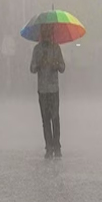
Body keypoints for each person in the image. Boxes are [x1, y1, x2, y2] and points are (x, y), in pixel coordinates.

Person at [30, 26, 66, 158]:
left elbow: (62, 67)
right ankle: (49, 147)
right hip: (43, 90)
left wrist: (56, 64)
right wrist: (39, 63)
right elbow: (32, 68)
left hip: (53, 89)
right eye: (44, 34)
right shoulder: (37, 50)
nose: (46, 37)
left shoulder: (56, 48)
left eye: (48, 34)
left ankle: (57, 146)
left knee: (55, 118)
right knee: (45, 120)